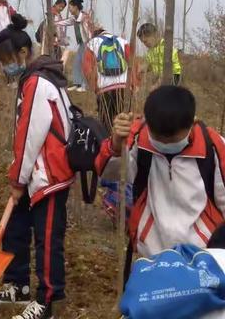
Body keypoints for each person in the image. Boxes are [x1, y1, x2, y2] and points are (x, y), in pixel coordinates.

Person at [0, 14, 76, 319]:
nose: (6, 65)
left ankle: (47, 300)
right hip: (34, 170)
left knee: (47, 238)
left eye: (8, 59)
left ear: (23, 54)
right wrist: (20, 173)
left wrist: (18, 179)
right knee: (16, 226)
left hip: (49, 173)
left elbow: (30, 135)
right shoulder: (34, 79)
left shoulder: (37, 82)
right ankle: (18, 284)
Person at [95, 85, 225, 259]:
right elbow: (109, 174)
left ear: (193, 121)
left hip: (201, 253)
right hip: (151, 251)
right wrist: (116, 145)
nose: (165, 145)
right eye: (158, 139)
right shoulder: (137, 139)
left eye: (172, 140)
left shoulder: (214, 146)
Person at [83, 27, 130, 132]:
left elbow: (87, 69)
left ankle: (108, 145)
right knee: (124, 123)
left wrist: (95, 88)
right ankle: (125, 146)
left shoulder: (92, 43)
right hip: (124, 87)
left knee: (106, 124)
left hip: (104, 89)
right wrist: (133, 85)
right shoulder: (123, 41)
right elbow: (132, 63)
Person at [56, 0, 93, 92]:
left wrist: (90, 44)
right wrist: (54, 23)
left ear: (76, 7)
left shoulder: (84, 17)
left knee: (84, 64)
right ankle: (78, 84)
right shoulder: (74, 18)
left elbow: (89, 32)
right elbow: (65, 22)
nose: (69, 10)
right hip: (81, 44)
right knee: (77, 62)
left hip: (88, 44)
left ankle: (85, 85)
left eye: (70, 7)